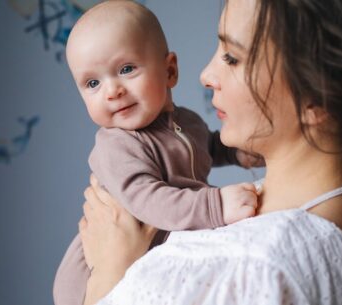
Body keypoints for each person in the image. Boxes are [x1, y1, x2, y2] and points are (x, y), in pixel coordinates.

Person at [77, 0, 342, 304]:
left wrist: (108, 277)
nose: (206, 74)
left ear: (317, 95)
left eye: (232, 56)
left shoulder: (263, 266)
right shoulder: (336, 210)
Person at [53, 1, 264, 305]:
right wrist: (215, 205)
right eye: (92, 83)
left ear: (170, 71)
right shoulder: (117, 145)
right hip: (91, 277)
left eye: (126, 69)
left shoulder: (187, 121)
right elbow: (148, 201)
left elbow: (205, 148)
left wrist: (235, 154)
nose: (112, 91)